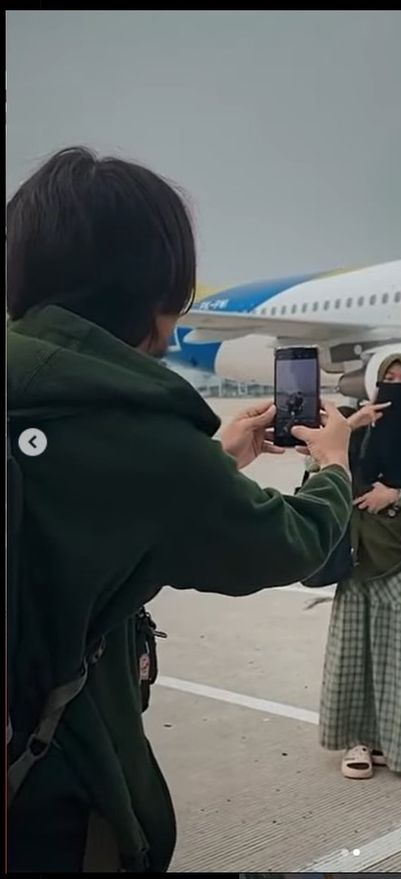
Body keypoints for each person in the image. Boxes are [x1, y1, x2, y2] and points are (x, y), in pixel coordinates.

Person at [6, 146, 353, 873]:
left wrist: (215, 457)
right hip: (52, 792)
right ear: (156, 292)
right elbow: (289, 543)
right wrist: (333, 466)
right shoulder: (149, 435)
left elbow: (81, 507)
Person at [316, 354, 401, 779]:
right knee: (355, 650)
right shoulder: (353, 426)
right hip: (356, 557)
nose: (398, 385)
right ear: (374, 385)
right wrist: (354, 424)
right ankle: (356, 739)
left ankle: (394, 739)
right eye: (390, 379)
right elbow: (319, 464)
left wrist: (399, 497)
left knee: (398, 652)